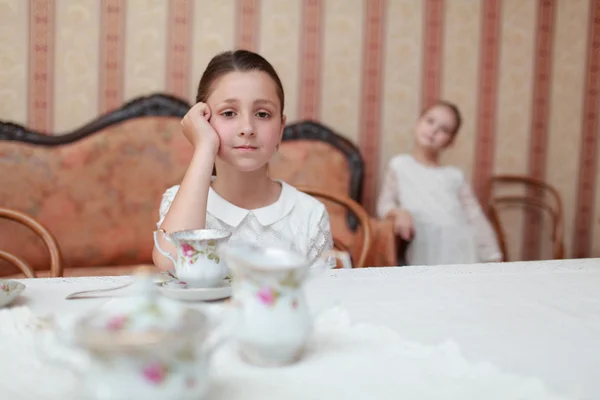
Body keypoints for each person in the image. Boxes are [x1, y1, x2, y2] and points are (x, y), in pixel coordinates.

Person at [153, 50, 333, 271]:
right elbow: (171, 262)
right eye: (229, 113)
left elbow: (320, 298)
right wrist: (204, 148)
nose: (247, 128)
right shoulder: (179, 201)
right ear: (203, 121)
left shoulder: (309, 215)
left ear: (281, 128)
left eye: (263, 114)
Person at [376, 100, 502, 265]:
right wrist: (398, 213)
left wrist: (493, 255)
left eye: (444, 129)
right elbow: (385, 202)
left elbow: (474, 215)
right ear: (417, 123)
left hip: (461, 244)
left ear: (450, 141)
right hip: (425, 243)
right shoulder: (400, 165)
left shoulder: (454, 175)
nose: (434, 130)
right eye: (430, 121)